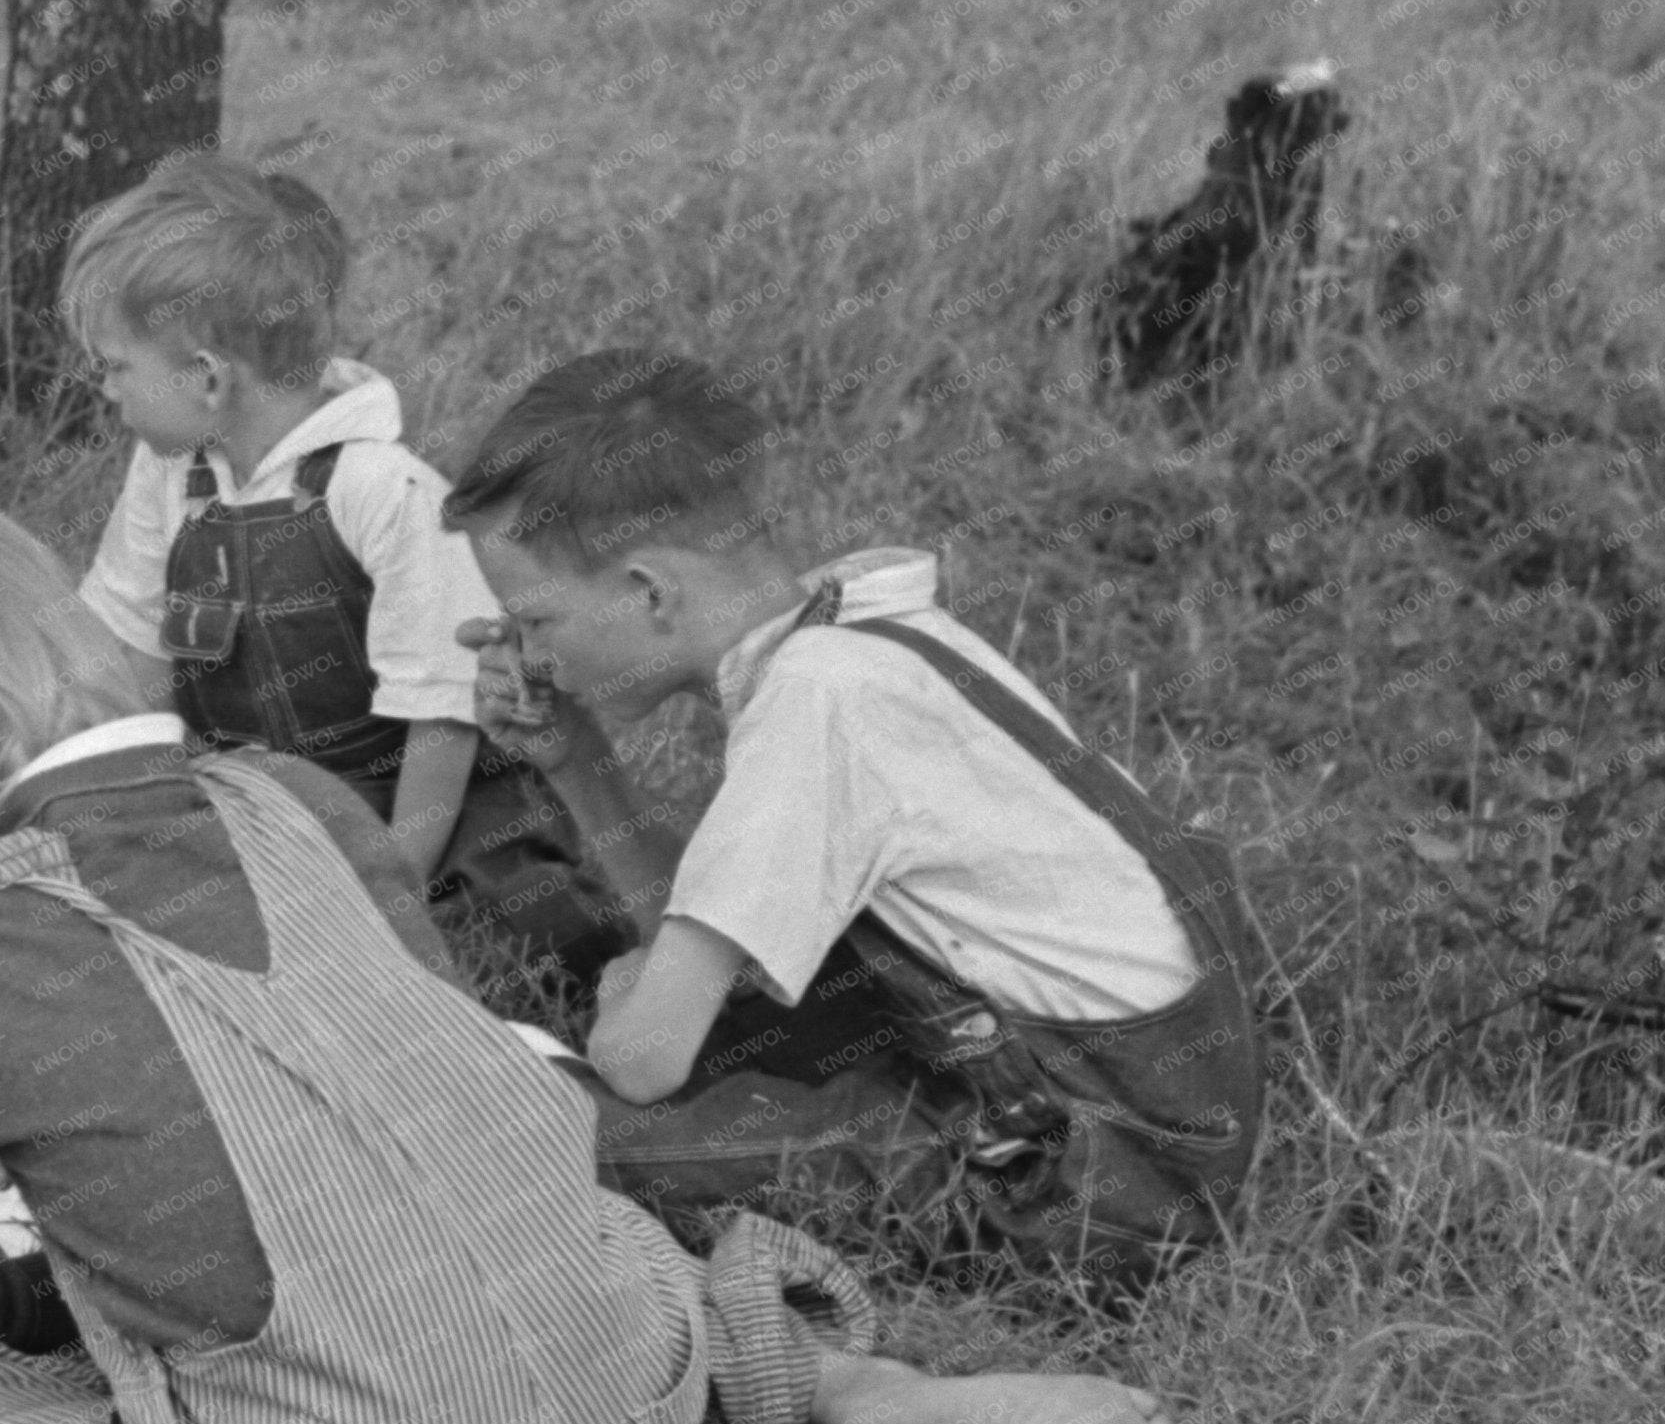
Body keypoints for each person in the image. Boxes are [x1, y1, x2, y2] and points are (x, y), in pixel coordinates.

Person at [0, 503, 1200, 1424]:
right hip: (633, 1406)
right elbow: (443, 1110)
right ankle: (844, 1386)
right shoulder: (291, 792)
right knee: (539, 1232)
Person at [441, 351, 1270, 1278]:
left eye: (536, 621)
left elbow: (643, 1057)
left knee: (533, 1135)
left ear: (649, 591)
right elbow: (713, 939)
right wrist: (580, 762)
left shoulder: (817, 702)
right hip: (1126, 1104)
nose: (524, 650)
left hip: (1086, 1183)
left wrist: (620, 994)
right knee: (733, 1027)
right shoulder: (863, 636)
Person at [62, 156, 628, 980]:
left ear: (210, 377)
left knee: (516, 936)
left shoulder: (382, 492)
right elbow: (136, 653)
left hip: (424, 815)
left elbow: (441, 724)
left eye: (114, 366)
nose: (105, 390)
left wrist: (387, 896)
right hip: (263, 802)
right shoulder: (170, 472)